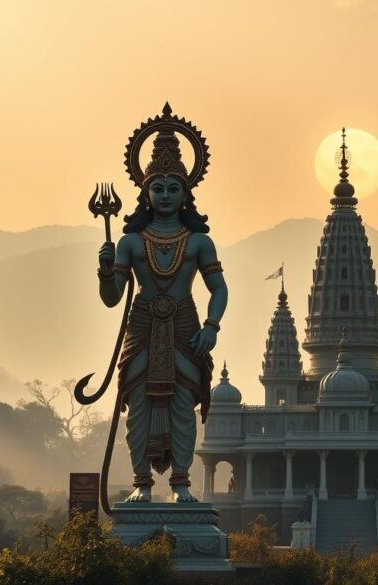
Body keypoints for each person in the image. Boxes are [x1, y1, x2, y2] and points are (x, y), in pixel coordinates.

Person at [97, 119, 228, 504]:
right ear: (145, 192)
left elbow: (218, 288)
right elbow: (111, 297)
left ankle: (182, 483)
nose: (166, 195)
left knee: (183, 405)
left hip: (186, 325)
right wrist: (106, 272)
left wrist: (212, 325)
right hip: (142, 325)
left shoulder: (199, 242)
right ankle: (141, 482)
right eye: (158, 188)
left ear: (186, 193)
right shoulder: (130, 241)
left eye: (174, 188)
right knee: (137, 403)